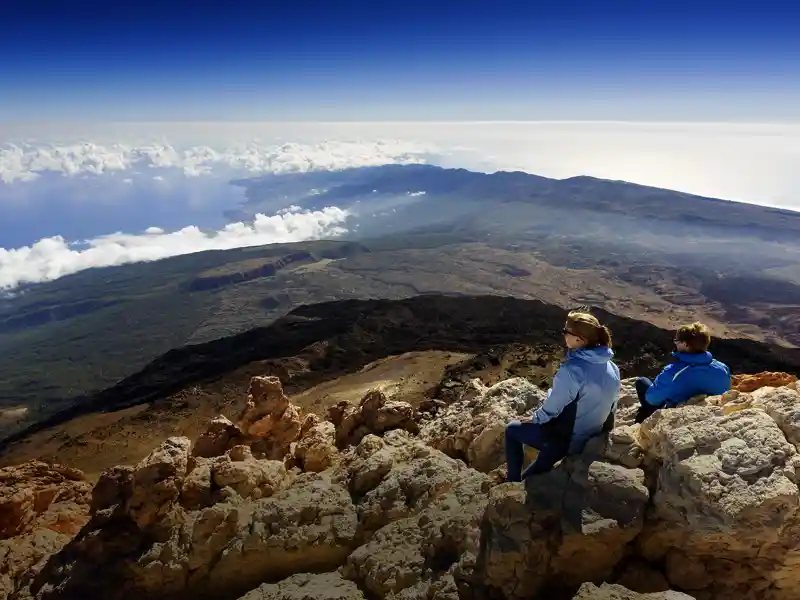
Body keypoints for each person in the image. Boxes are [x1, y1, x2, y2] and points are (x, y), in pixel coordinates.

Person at [505, 310, 621, 482]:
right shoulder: (612, 367)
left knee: (511, 430)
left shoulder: (573, 370)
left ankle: (512, 482)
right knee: (536, 471)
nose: (564, 335)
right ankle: (532, 474)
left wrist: (535, 418)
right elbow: (612, 405)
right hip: (590, 435)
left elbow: (554, 407)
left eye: (566, 331)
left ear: (579, 339)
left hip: (568, 441)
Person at [634, 322, 731, 423]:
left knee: (642, 382)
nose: (675, 343)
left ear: (685, 344)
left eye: (676, 340)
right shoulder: (723, 369)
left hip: (678, 416)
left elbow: (651, 399)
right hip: (712, 414)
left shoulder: (673, 372)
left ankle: (645, 420)